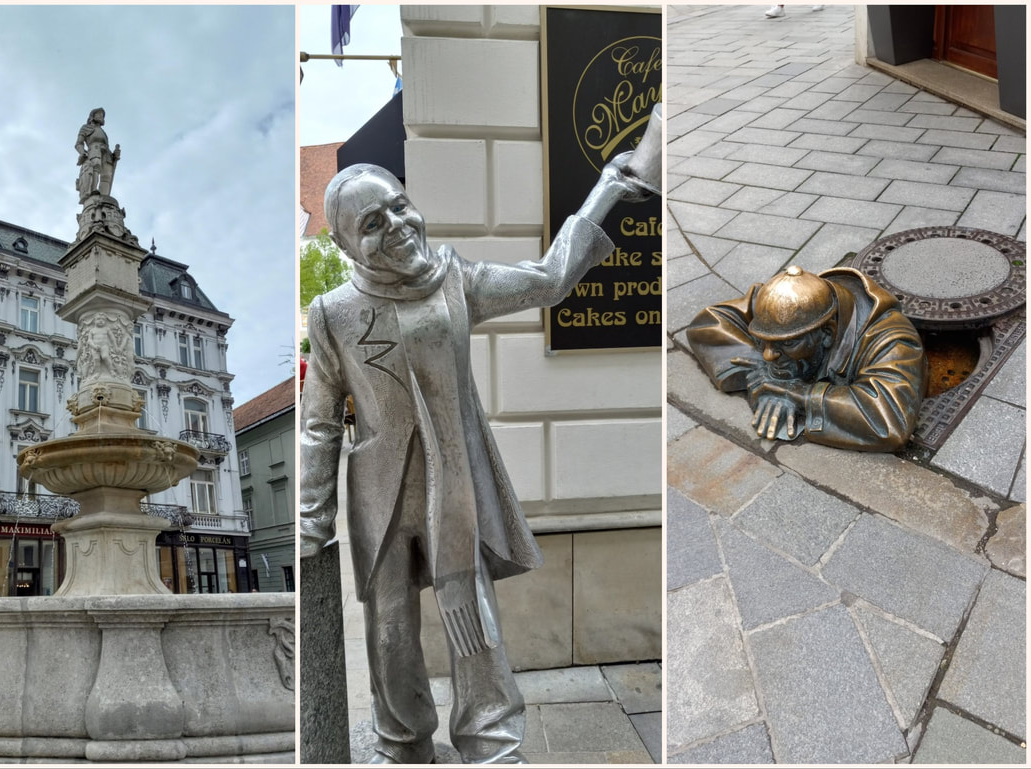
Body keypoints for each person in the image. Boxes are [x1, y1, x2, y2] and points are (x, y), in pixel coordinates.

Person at [300, 159, 648, 764]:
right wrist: (311, 516)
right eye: (374, 223)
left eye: (401, 205)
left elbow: (548, 279)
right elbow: (318, 421)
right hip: (378, 498)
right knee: (389, 636)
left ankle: (492, 744)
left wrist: (607, 190)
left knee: (474, 623)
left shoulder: (455, 280)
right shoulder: (332, 312)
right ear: (344, 243)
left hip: (453, 490)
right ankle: (403, 745)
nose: (400, 225)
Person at [687, 265, 926, 452]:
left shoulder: (892, 340)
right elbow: (709, 323)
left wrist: (798, 393)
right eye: (763, 341)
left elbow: (890, 422)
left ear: (827, 334)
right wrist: (761, 368)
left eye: (788, 343)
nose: (769, 354)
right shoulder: (781, 305)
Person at [75, 108, 120, 202]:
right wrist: (82, 152)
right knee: (96, 165)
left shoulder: (103, 132)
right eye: (99, 114)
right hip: (94, 150)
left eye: (102, 115)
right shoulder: (85, 128)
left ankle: (104, 197)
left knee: (107, 175)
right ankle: (93, 190)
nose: (101, 116)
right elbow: (78, 144)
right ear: (92, 116)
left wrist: (114, 155)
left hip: (106, 153)